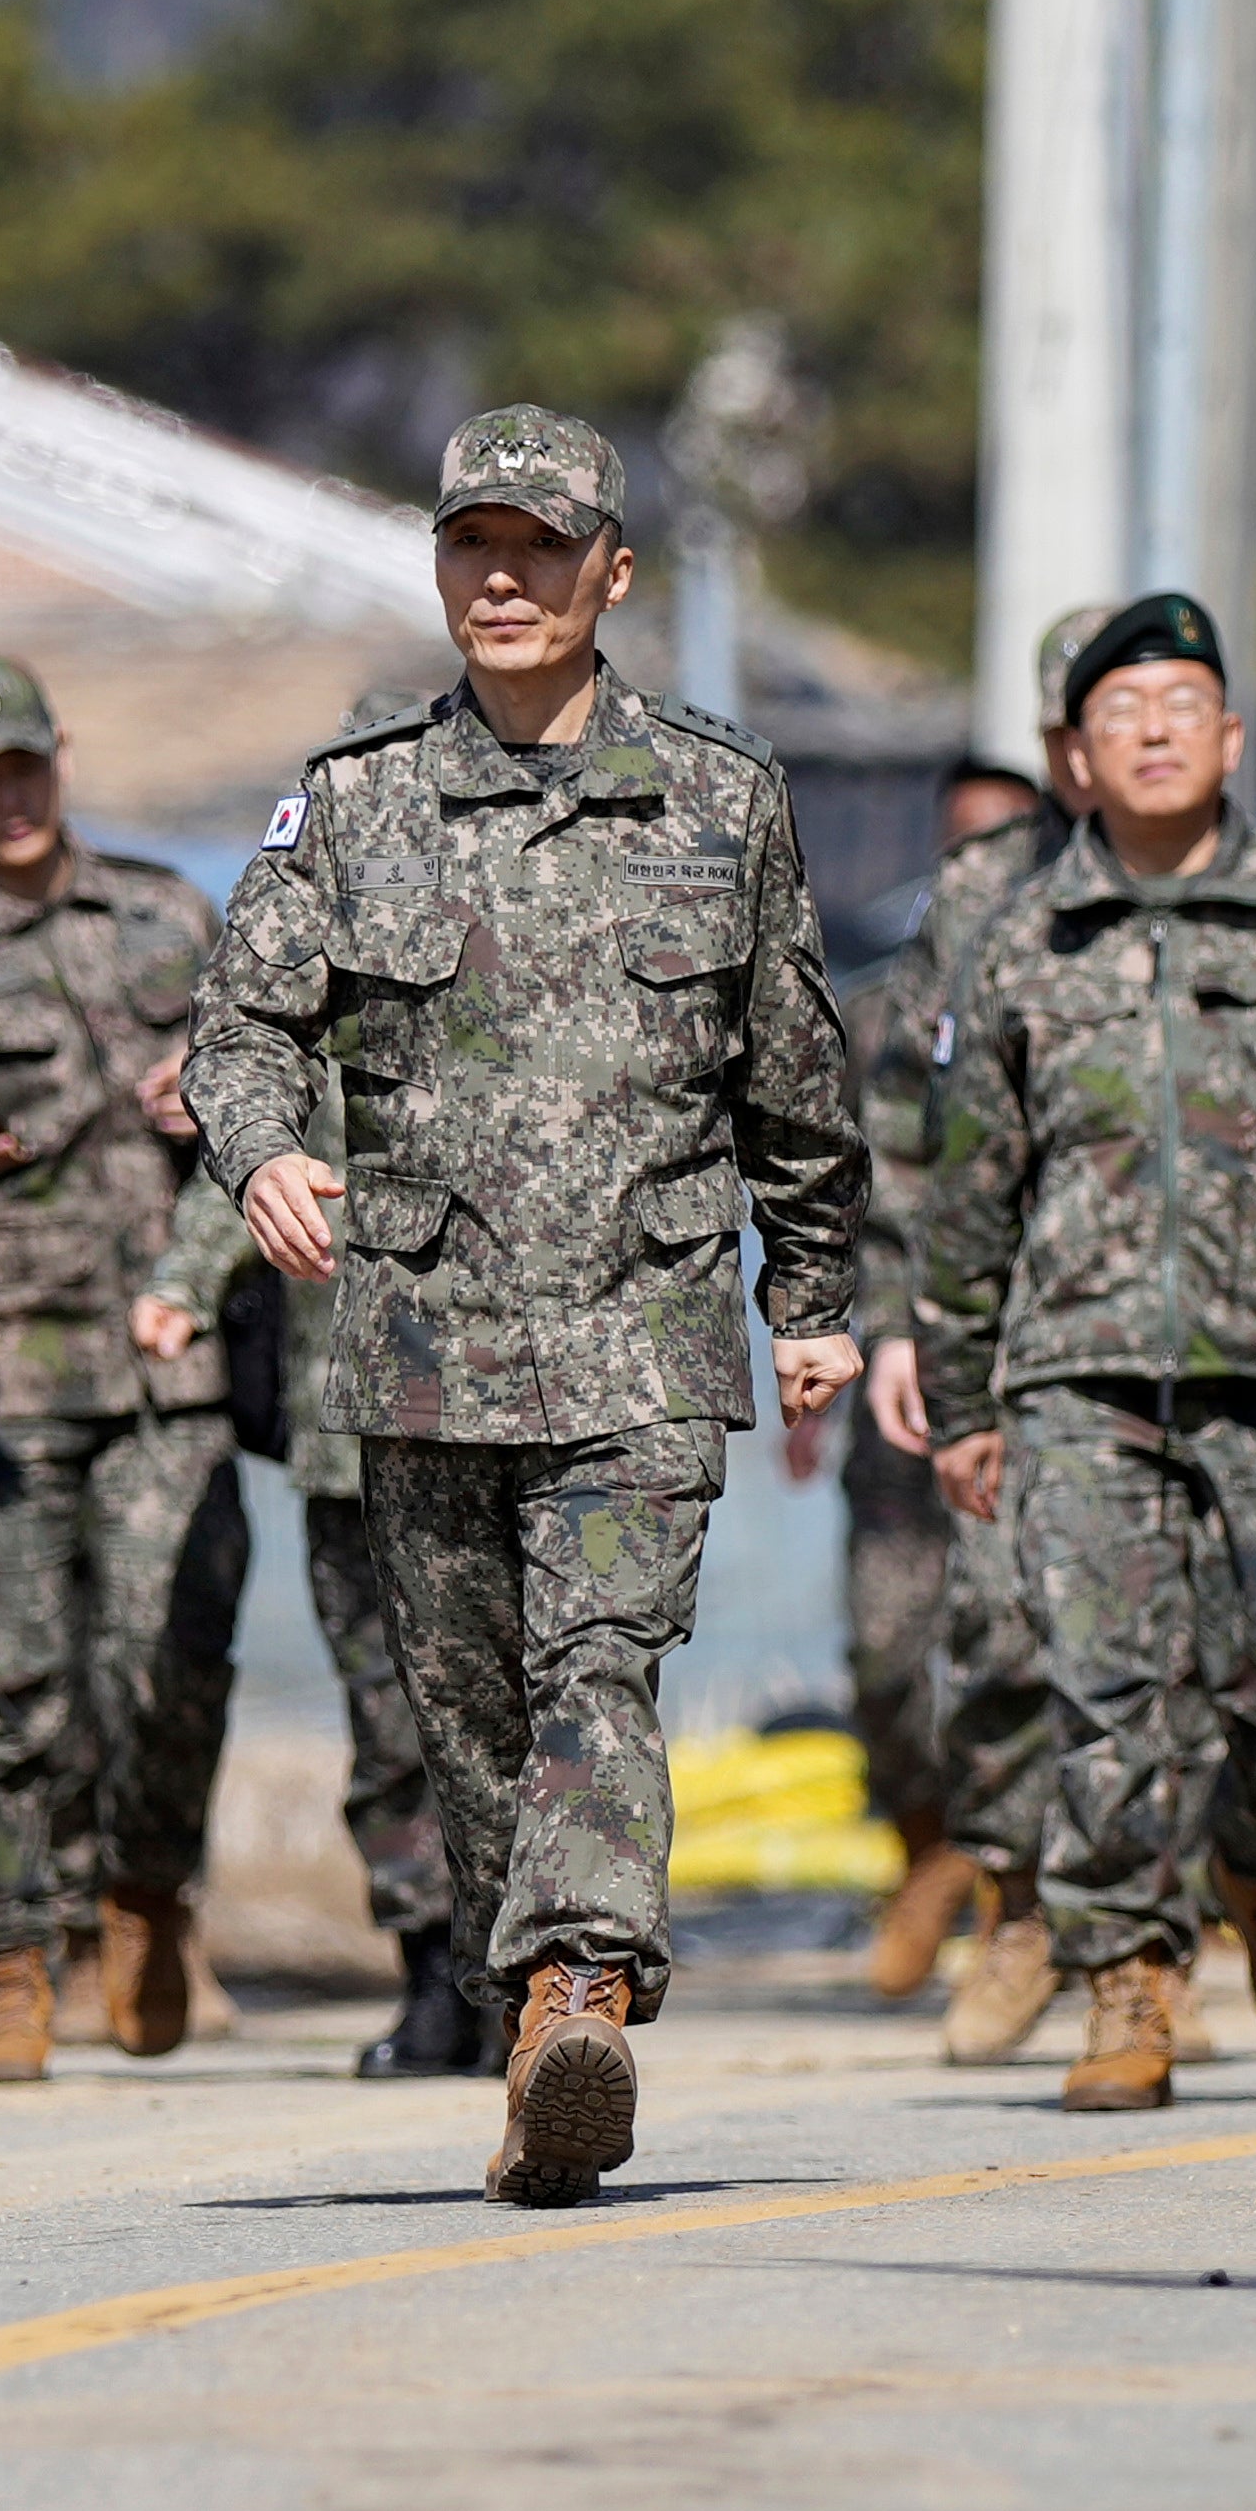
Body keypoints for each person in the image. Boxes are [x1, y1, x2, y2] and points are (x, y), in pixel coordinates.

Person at [186, 405, 867, 2206]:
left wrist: (813, 1295)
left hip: (641, 1335)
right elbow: (239, 1024)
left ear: (610, 574)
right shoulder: (356, 801)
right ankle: (532, 2019)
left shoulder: (720, 796)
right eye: (471, 544)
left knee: (598, 1669)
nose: (502, 576)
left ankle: (582, 1980)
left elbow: (794, 1071)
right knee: (470, 1714)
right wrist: (260, 1153)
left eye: (540, 548)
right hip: (419, 1342)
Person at [919, 593, 1256, 2110]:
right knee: (1109, 1695)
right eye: (1120, 715)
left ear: (1231, 738)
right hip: (1078, 1379)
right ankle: (1130, 1981)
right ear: (1075, 759)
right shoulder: (1023, 945)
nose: (1154, 734)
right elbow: (969, 1191)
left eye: (1182, 708)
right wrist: (965, 1398)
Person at [0, 656, 250, 2085]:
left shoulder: (167, 918)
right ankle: (13, 1955)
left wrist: (209, 1139)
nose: (11, 796)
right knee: (7, 1686)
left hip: (165, 1370)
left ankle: (146, 1892)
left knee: (164, 1662)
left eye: (28, 765)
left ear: (61, 757)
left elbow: (269, 1124)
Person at [873, 607, 1112, 2070]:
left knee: (1199, 1651)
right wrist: (903, 1320)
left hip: (1221, 1335)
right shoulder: (976, 905)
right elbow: (907, 1128)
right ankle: (1021, 1905)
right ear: (1053, 748)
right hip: (1018, 1332)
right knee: (1004, 1632)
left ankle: (1167, 1930)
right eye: (1083, 723)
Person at [141, 1054, 462, 2074]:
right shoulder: (319, 1023)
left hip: (512, 1431)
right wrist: (182, 1287)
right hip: (350, 1441)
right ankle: (434, 1978)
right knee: (387, 1722)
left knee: (514, 1706)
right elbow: (245, 1169)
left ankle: (536, 1967)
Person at [822, 749, 1050, 2001]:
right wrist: (826, 1338)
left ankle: (1041, 1900)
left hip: (1046, 1370)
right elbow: (845, 1194)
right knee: (885, 1646)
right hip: (903, 1374)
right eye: (961, 848)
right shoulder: (877, 1017)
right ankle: (930, 1849)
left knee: (1027, 1635)